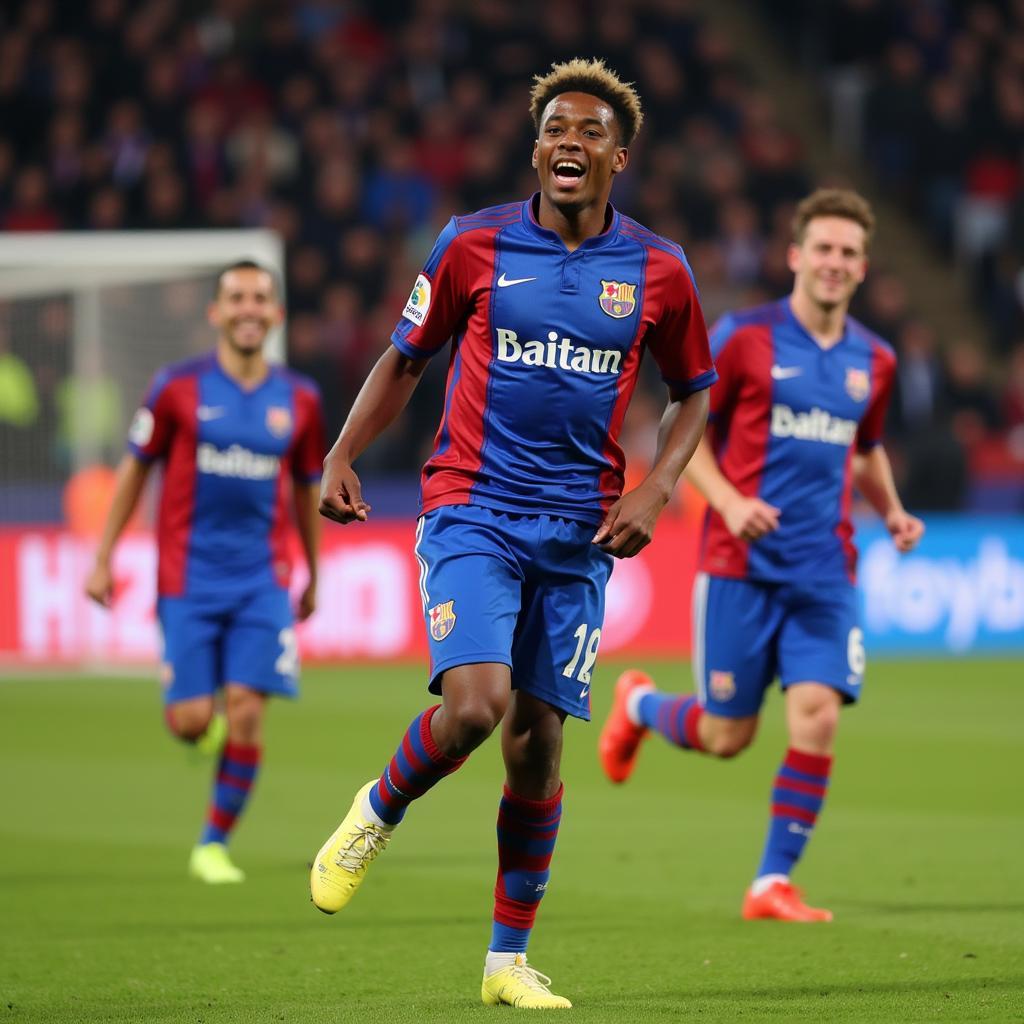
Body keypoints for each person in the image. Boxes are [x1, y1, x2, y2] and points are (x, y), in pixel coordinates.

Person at [310, 58, 715, 1009]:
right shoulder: (471, 243)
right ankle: (378, 808)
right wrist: (338, 453)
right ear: (536, 150)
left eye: (589, 133)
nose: (568, 143)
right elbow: (405, 359)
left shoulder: (659, 268)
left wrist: (657, 488)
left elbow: (696, 391)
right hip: (472, 508)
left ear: (621, 154)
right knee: (477, 707)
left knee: (536, 747)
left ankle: (505, 963)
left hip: (579, 533)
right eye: (554, 131)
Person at [598, 188, 925, 922]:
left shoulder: (874, 360)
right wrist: (728, 502)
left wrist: (894, 511)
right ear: (796, 256)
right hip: (738, 570)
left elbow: (865, 449)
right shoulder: (745, 338)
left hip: (824, 572)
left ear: (863, 266)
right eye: (824, 248)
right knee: (726, 735)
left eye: (848, 252)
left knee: (818, 716)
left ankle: (770, 883)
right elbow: (686, 436)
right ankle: (641, 705)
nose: (834, 262)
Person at [85, 260, 325, 884]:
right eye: (237, 298)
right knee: (192, 721)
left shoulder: (299, 398)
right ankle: (207, 734)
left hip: (261, 581)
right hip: (187, 580)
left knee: (248, 708)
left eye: (261, 299)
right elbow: (136, 468)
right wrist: (105, 556)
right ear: (216, 313)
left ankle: (212, 844)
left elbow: (305, 488)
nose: (249, 308)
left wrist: (314, 574)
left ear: (276, 314)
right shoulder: (176, 387)